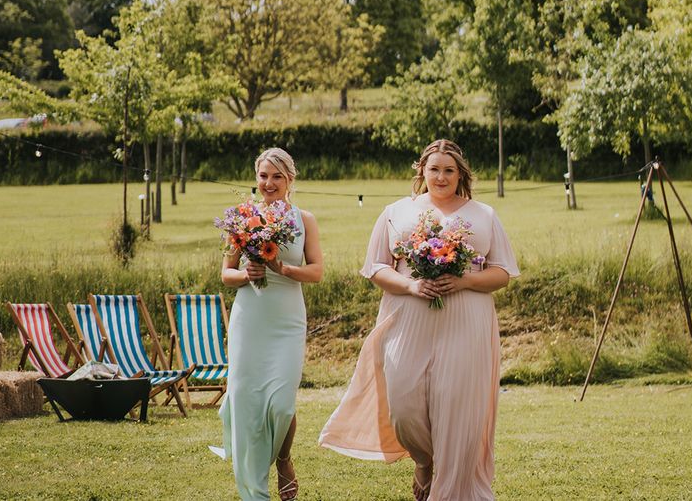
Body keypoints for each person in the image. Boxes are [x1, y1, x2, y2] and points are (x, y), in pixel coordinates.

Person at [319, 139, 519, 501]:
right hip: (407, 318)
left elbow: (503, 273)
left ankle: (455, 489)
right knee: (404, 402)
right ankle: (424, 460)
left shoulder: (483, 215)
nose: (441, 177)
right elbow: (376, 267)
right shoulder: (397, 211)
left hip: (466, 321)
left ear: (461, 174)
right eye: (434, 169)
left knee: (458, 408)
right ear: (422, 171)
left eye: (449, 170)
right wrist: (411, 285)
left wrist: (464, 280)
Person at [219, 148, 323, 501]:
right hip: (250, 317)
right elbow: (225, 273)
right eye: (264, 176)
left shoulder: (304, 219)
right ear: (256, 178)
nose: (269, 183)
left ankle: (283, 457)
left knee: (281, 403)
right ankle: (254, 486)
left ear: (290, 180)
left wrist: (284, 269)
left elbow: (317, 271)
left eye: (277, 176)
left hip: (286, 318)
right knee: (248, 400)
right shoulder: (242, 218)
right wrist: (246, 274)